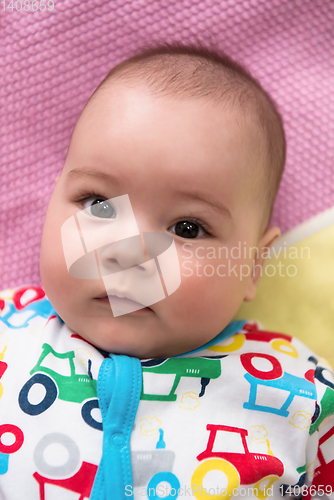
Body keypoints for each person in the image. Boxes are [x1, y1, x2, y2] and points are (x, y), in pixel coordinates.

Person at [0, 43, 333, 500]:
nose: (129, 252)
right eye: (98, 204)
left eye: (188, 227)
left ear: (253, 264)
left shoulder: (303, 395)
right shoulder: (7, 334)